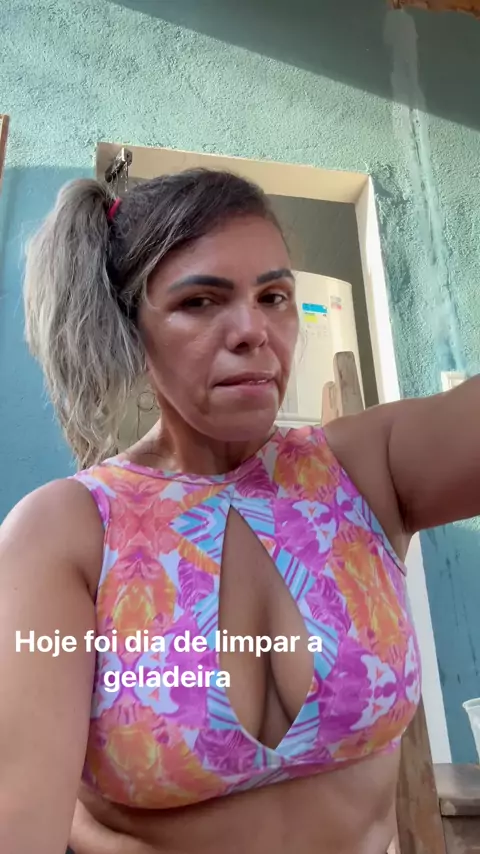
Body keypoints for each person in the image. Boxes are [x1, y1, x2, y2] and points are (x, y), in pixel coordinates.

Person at [0, 168, 478, 854]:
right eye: (200, 301)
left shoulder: (363, 469)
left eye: (274, 296)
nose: (254, 330)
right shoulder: (68, 532)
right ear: (130, 324)